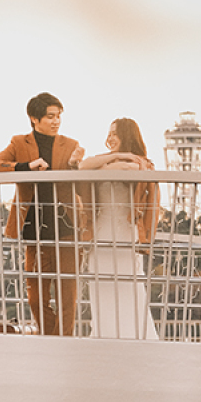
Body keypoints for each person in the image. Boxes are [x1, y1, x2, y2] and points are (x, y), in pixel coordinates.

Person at [0, 93, 85, 336]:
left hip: (66, 228)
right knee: (36, 295)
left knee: (67, 294)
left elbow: (81, 188)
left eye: (59, 116)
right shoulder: (20, 143)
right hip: (34, 229)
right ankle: (52, 337)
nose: (56, 121)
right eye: (50, 116)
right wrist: (26, 167)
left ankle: (63, 340)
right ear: (34, 118)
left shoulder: (71, 145)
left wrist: (76, 167)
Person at [78, 118, 159, 340]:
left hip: (125, 231)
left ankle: (131, 335)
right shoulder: (108, 161)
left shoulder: (140, 164)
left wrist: (109, 163)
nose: (111, 137)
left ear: (128, 135)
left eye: (116, 133)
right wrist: (115, 156)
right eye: (109, 133)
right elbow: (82, 166)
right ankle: (104, 333)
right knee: (100, 281)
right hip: (101, 230)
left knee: (127, 284)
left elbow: (127, 169)